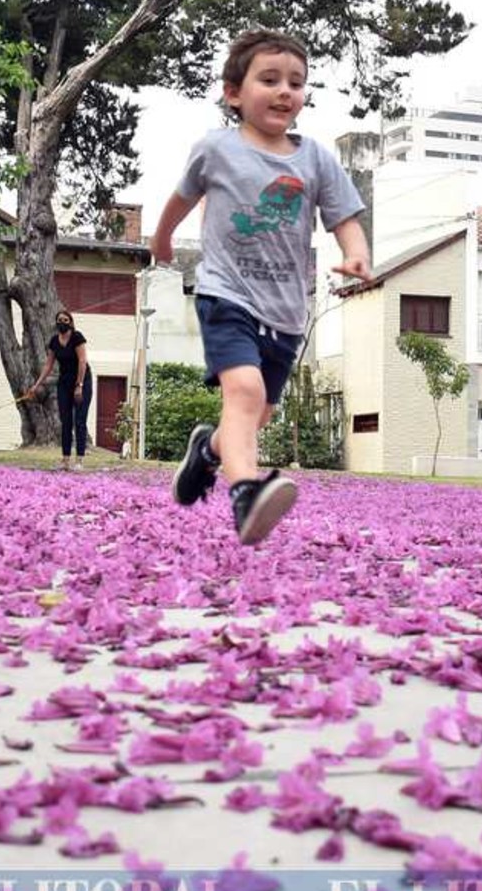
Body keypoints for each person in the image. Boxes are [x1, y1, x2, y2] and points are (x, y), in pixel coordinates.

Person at [151, 29, 370, 544]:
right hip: (225, 293)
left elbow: (345, 217)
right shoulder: (216, 149)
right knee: (244, 391)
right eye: (269, 80)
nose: (284, 91)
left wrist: (356, 252)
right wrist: (162, 239)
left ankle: (207, 453)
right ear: (234, 92)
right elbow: (180, 199)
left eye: (296, 83)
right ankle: (245, 494)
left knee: (257, 412)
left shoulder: (315, 158)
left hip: (287, 311)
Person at [27, 310, 91, 469]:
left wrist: (79, 386)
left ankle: (80, 460)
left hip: (82, 382)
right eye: (59, 320)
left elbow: (82, 361)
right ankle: (65, 459)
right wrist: (36, 385)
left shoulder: (77, 337)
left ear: (70, 322)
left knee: (80, 421)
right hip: (64, 384)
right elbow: (48, 365)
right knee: (66, 422)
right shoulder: (54, 341)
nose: (62, 322)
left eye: (65, 319)